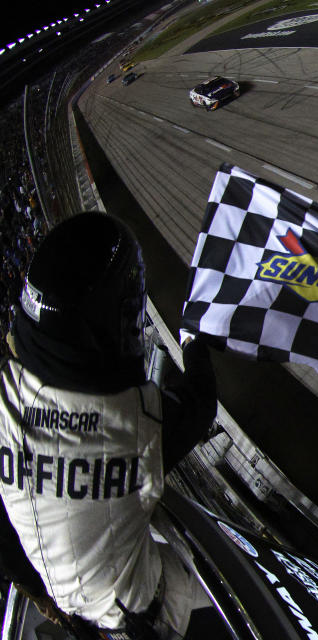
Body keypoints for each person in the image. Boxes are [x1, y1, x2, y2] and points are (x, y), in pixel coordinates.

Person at [0, 212, 217, 639]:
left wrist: (34, 589)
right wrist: (193, 338)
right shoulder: (132, 420)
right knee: (230, 589)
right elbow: (200, 403)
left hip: (69, 599)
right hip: (141, 615)